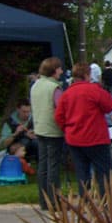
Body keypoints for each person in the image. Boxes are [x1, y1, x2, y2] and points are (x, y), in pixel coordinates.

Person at [55, 62, 112, 197]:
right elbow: (110, 106)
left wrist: (66, 129)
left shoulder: (67, 94)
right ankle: (107, 203)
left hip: (75, 138)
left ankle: (85, 202)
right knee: (104, 173)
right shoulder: (95, 90)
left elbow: (59, 116)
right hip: (96, 138)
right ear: (87, 75)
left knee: (82, 173)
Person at [30, 56, 64, 209]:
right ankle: (54, 201)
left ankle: (43, 200)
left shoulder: (36, 85)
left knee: (43, 165)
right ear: (54, 70)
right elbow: (61, 108)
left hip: (39, 128)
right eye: (59, 68)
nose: (61, 71)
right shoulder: (54, 88)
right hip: (52, 129)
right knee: (53, 166)